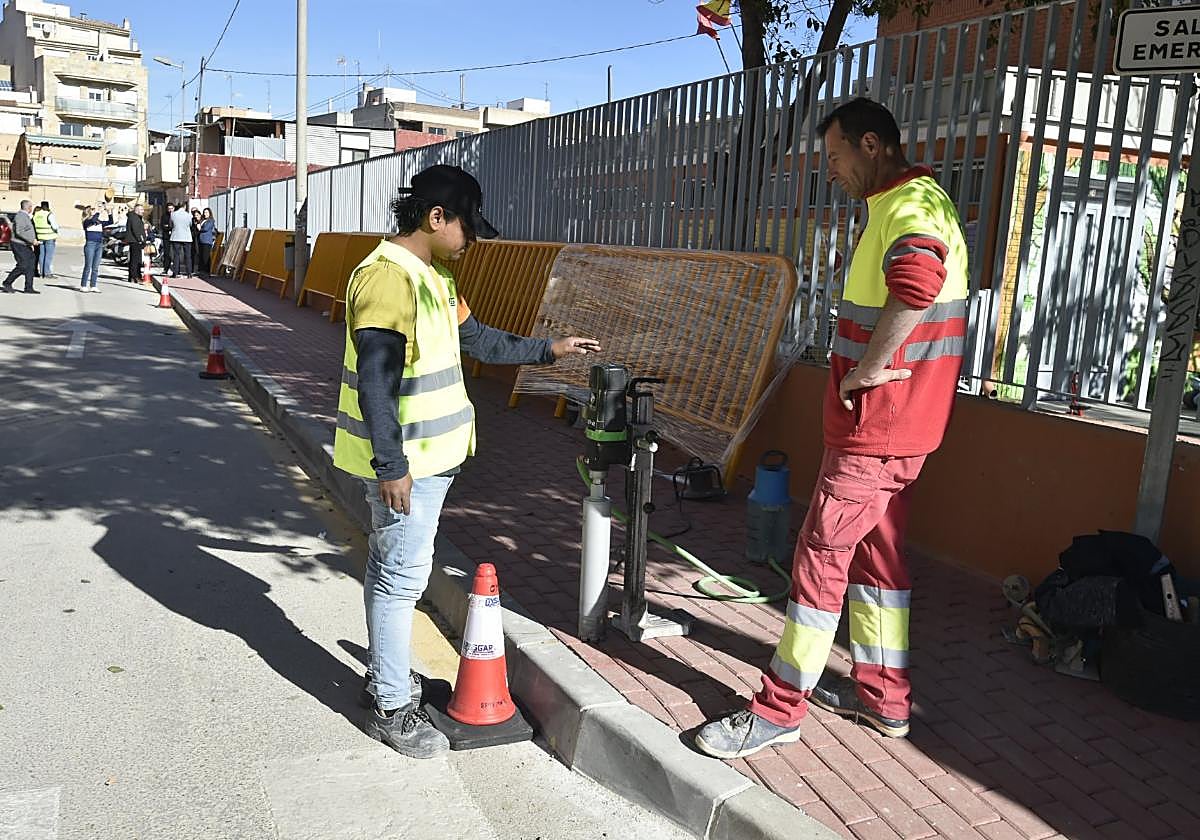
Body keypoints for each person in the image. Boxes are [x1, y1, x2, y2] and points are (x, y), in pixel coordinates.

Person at [695, 97, 969, 758]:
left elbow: (918, 280)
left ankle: (779, 708)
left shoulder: (909, 208)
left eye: (835, 155)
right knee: (879, 561)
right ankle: (885, 701)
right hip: (902, 431)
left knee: (821, 558)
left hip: (876, 430)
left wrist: (867, 372)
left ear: (871, 145)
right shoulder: (919, 201)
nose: (831, 170)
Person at [333, 165, 601, 759]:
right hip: (409, 468)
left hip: (430, 460)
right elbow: (377, 381)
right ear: (436, 218)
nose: (473, 239)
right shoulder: (387, 280)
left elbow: (477, 341)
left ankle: (389, 676)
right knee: (400, 578)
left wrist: (546, 350)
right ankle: (389, 704)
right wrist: (389, 465)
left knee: (395, 571)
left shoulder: (436, 275)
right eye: (468, 226)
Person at [2, 200, 38, 294]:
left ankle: (28, 287)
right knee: (23, 265)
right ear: (28, 207)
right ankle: (7, 282)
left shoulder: (25, 216)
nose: (32, 208)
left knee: (31, 263)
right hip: (19, 244)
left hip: (25, 244)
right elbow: (19, 231)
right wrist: (31, 240)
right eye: (31, 206)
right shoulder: (21, 216)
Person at [80, 203, 112, 292]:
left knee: (95, 267)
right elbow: (93, 220)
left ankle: (93, 285)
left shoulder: (98, 221)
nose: (95, 211)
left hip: (99, 244)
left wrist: (109, 212)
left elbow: (110, 222)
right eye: (92, 210)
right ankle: (83, 285)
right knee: (88, 265)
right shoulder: (86, 222)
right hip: (90, 244)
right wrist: (99, 211)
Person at [32, 200, 58, 279]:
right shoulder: (49, 214)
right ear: (48, 206)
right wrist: (56, 231)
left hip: (40, 237)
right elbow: (55, 226)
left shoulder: (36, 214)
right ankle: (47, 273)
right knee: (48, 256)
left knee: (41, 255)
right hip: (49, 237)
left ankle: (42, 273)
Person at [169, 203, 194, 277]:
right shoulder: (189, 215)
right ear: (185, 206)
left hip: (176, 236)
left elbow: (171, 225)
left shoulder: (173, 214)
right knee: (188, 256)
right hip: (187, 237)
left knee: (176, 255)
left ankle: (175, 273)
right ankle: (189, 273)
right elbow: (190, 224)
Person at [126, 204, 147, 284]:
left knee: (134, 260)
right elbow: (136, 230)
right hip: (135, 241)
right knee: (136, 260)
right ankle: (136, 277)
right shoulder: (134, 218)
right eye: (141, 210)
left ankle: (132, 277)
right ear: (137, 210)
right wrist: (141, 240)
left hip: (134, 241)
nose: (143, 211)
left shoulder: (135, 217)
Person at [197, 208, 217, 277]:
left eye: (207, 212)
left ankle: (207, 272)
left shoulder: (211, 221)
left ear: (210, 213)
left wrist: (200, 228)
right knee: (201, 256)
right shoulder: (203, 220)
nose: (205, 214)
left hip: (207, 241)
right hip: (201, 240)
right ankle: (201, 271)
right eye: (204, 212)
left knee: (206, 256)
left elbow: (206, 228)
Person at [160, 204, 174, 275]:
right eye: (169, 208)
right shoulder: (164, 216)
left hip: (174, 237)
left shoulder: (175, 216)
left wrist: (169, 227)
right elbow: (163, 226)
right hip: (166, 237)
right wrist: (169, 227)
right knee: (167, 253)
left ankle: (175, 269)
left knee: (175, 254)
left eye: (172, 208)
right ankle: (166, 268)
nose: (170, 210)